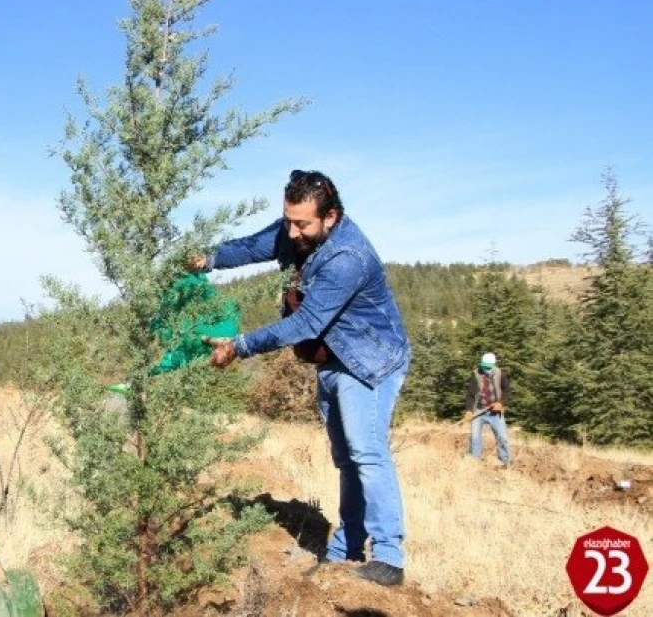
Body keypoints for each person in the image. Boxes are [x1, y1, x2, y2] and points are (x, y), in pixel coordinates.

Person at [195, 170, 411, 587]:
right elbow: (254, 246)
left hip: (370, 360)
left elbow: (307, 323)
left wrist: (239, 346)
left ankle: (388, 557)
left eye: (302, 224)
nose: (292, 232)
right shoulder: (297, 230)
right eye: (288, 220)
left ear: (330, 217)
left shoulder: (347, 257)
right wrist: (207, 259)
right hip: (332, 358)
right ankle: (345, 548)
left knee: (367, 453)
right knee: (346, 458)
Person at [464, 352, 511, 467]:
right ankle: (474, 462)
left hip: (495, 412)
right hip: (479, 411)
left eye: (488, 368)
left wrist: (501, 403)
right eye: (484, 367)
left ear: (493, 365)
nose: (485, 370)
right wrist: (469, 410)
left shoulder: (500, 374)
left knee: (502, 437)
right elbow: (470, 394)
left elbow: (507, 391)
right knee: (475, 437)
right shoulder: (476, 374)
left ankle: (505, 462)